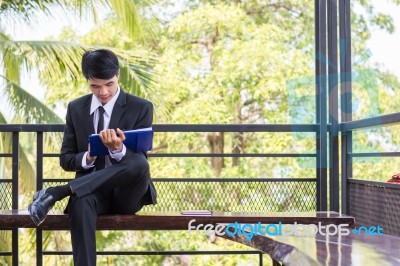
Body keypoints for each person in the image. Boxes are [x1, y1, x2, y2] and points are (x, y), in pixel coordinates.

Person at [28, 49, 157, 266]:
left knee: (140, 163)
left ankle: (59, 192)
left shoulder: (141, 107)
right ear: (88, 80)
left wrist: (117, 150)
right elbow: (66, 159)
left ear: (118, 76)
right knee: (80, 202)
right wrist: (89, 155)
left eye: (109, 84)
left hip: (128, 195)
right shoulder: (76, 108)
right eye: (95, 86)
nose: (103, 92)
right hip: (91, 193)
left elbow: (139, 159)